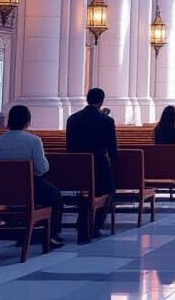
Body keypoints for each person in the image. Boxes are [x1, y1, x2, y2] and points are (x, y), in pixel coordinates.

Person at [0, 104, 64, 248]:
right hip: (30, 184)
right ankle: (51, 234)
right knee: (55, 196)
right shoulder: (33, 140)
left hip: (5, 187)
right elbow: (40, 169)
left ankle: (23, 231)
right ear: (27, 121)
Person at [66, 87, 118, 243]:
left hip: (77, 165)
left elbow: (69, 145)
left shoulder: (72, 119)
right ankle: (95, 225)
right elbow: (112, 148)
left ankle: (83, 221)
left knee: (84, 190)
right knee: (110, 190)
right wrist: (113, 164)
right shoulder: (106, 120)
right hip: (99, 165)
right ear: (101, 101)